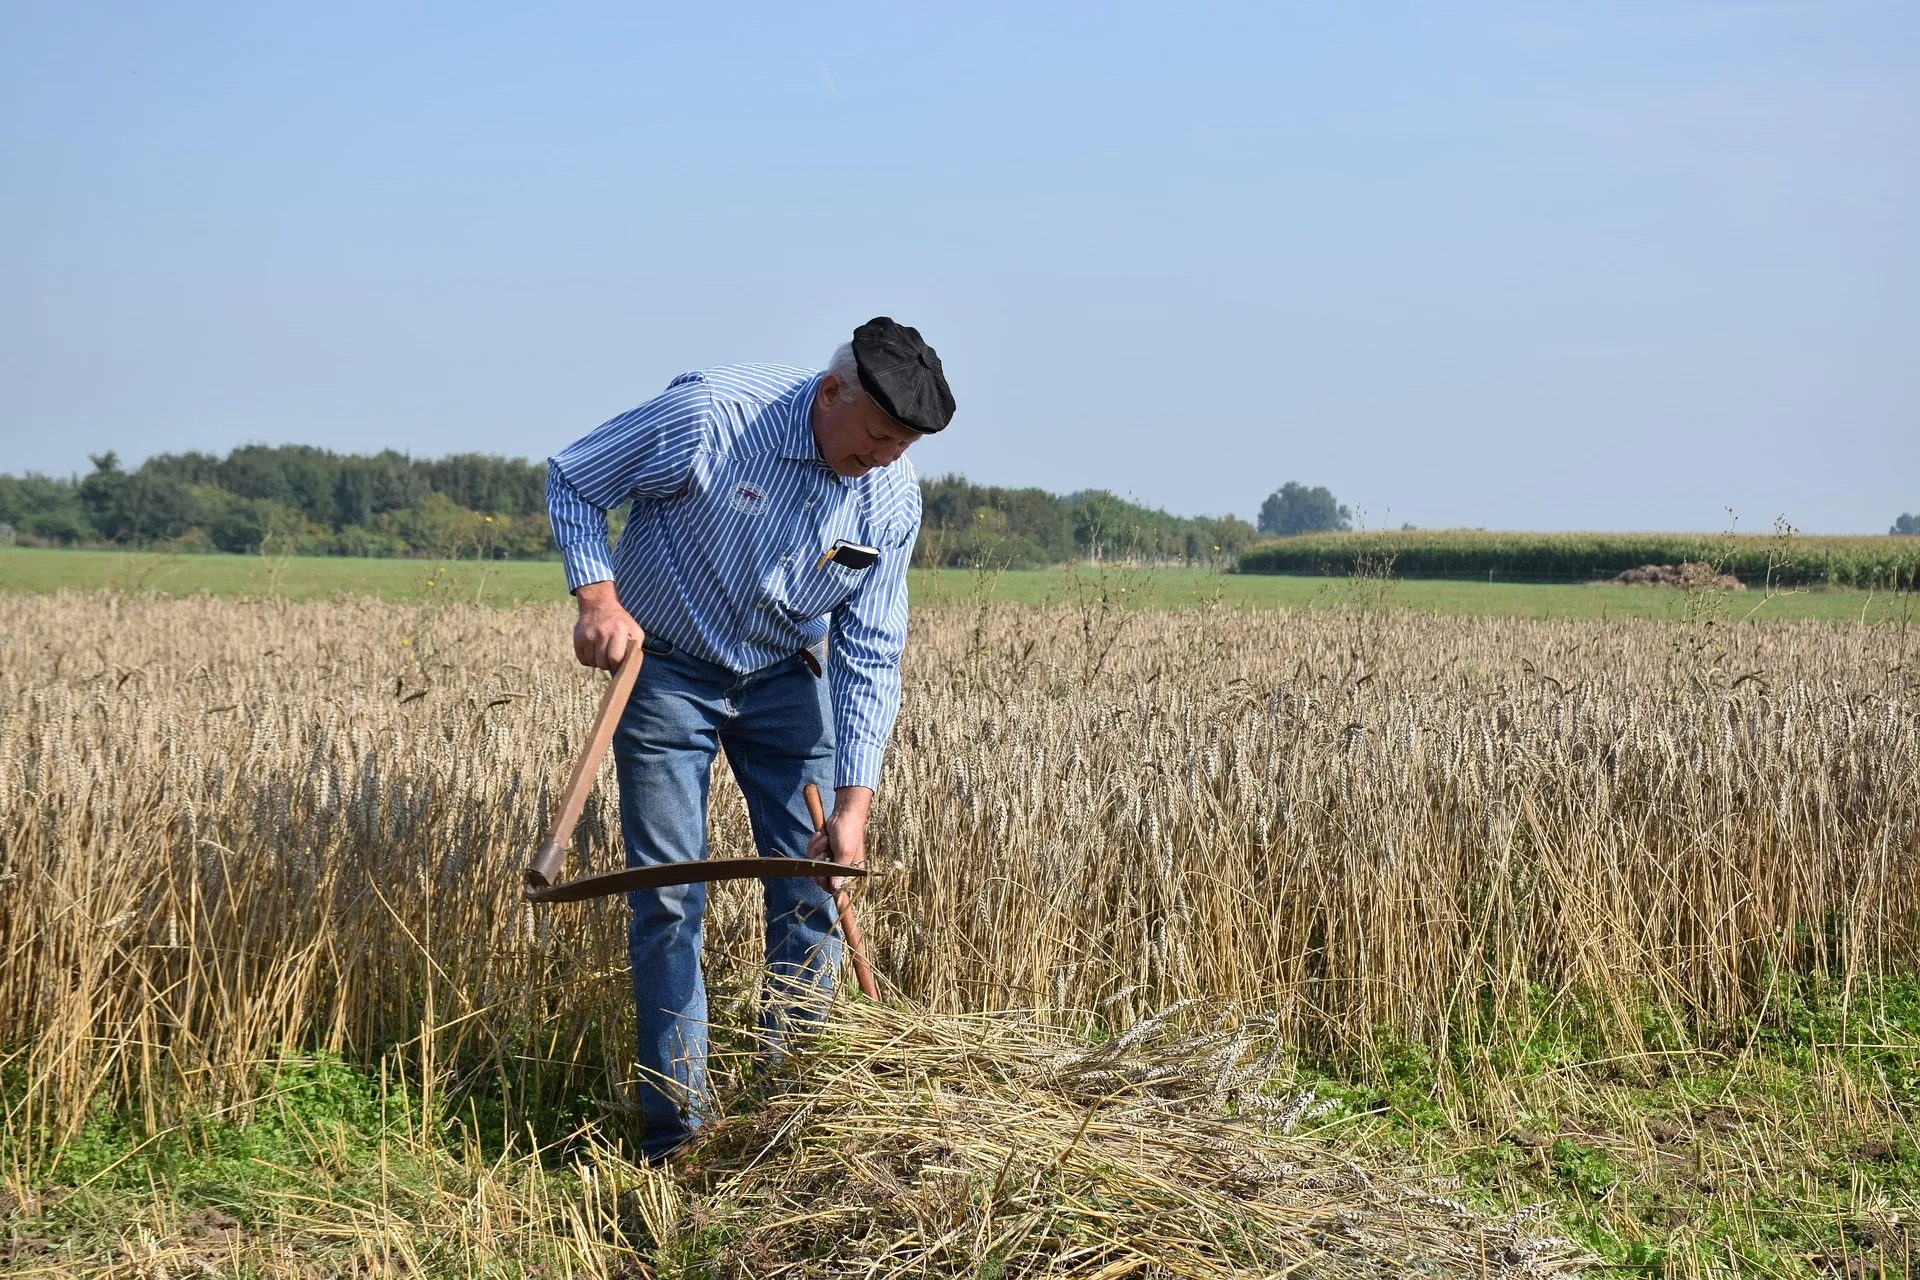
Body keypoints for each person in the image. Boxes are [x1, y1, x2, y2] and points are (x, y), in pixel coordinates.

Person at [544, 317, 954, 1161]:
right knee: (668, 894)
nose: (881, 459)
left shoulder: (891, 494)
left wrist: (854, 805)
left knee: (814, 884)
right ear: (830, 393)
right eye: (876, 437)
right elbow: (573, 479)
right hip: (664, 673)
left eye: (901, 447)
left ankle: (790, 1121)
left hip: (780, 680)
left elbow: (871, 649)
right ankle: (678, 1137)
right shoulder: (711, 419)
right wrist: (597, 597)